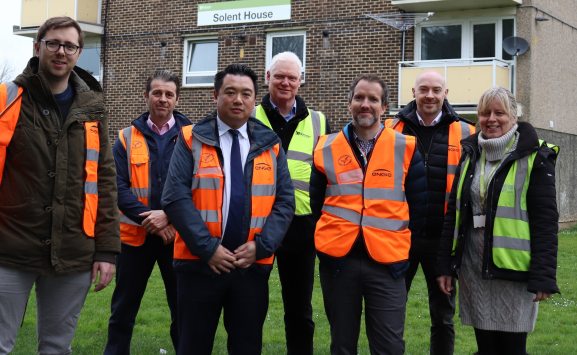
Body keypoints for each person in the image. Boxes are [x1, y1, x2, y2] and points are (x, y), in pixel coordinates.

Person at [0, 16, 120, 355]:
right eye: (54, 43)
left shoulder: (93, 110)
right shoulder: (3, 100)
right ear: (38, 47)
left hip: (74, 253)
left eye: (70, 46)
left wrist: (107, 251)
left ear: (79, 53)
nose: (61, 51)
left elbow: (104, 182)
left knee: (56, 349)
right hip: (8, 251)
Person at [162, 63, 295, 355]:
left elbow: (285, 202)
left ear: (254, 99)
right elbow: (175, 197)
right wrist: (208, 248)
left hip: (251, 268)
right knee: (193, 347)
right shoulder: (190, 138)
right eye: (230, 92)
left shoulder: (270, 144)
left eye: (246, 94)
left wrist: (262, 247)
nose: (238, 100)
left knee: (247, 348)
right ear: (215, 95)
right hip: (199, 266)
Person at [436, 87, 560, 355]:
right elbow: (454, 214)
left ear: (514, 117)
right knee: (486, 349)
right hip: (474, 269)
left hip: (513, 271)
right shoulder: (469, 153)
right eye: (485, 113)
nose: (491, 119)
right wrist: (446, 265)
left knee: (513, 350)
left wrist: (544, 275)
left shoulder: (535, 157)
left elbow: (545, 221)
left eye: (499, 113)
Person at [310, 74, 427, 355]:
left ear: (384, 107)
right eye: (359, 98)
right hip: (339, 263)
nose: (365, 104)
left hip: (388, 265)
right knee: (342, 346)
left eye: (373, 99)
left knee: (389, 347)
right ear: (349, 102)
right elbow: (317, 207)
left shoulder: (406, 147)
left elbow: (419, 210)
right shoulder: (325, 147)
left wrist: (403, 255)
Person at [386, 70, 475, 355]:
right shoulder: (390, 129)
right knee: (391, 313)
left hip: (443, 241)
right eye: (423, 89)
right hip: (400, 237)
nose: (430, 95)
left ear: (446, 94)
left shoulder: (467, 132)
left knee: (443, 316)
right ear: (413, 93)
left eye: (436, 90)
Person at [103, 70, 191, 355]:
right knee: (123, 310)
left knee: (183, 310)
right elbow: (118, 187)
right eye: (157, 93)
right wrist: (150, 218)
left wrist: (169, 217)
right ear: (146, 96)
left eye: (168, 94)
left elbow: (199, 186)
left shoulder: (195, 137)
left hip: (177, 238)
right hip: (134, 239)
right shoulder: (126, 138)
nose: (162, 99)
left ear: (177, 99)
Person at [253, 52, 329, 355]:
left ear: (301, 81)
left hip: (301, 227)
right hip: (256, 224)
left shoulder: (319, 120)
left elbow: (326, 173)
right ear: (268, 77)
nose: (286, 82)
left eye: (292, 77)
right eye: (279, 76)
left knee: (299, 310)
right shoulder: (249, 114)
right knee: (250, 307)